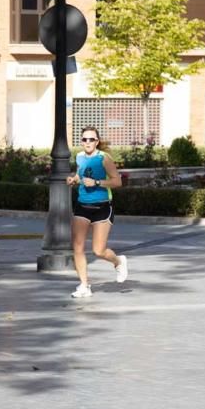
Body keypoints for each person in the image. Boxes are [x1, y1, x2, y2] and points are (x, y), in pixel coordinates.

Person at [65, 126, 128, 298]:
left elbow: (117, 182)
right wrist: (74, 179)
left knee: (98, 251)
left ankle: (118, 261)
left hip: (102, 207)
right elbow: (81, 174)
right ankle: (84, 285)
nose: (87, 142)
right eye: (84, 139)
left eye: (91, 139)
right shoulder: (79, 157)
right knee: (77, 247)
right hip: (82, 206)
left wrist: (97, 183)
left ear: (97, 142)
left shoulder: (104, 158)